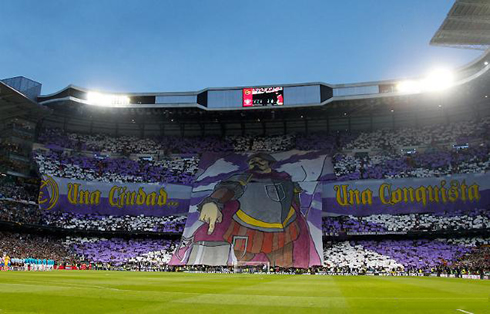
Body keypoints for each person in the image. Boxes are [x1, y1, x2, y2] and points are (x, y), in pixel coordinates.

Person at [191, 153, 319, 268]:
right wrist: (213, 202)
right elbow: (229, 188)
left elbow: (294, 198)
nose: (256, 163)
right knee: (242, 263)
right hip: (248, 227)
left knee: (284, 264)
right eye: (253, 161)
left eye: (261, 160)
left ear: (269, 162)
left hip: (284, 228)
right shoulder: (244, 178)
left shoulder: (284, 179)